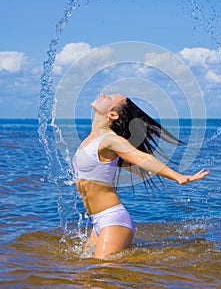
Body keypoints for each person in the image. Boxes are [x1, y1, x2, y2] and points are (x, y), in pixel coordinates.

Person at [73, 93, 210, 259]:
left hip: (112, 221)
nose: (103, 94)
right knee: (82, 275)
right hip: (98, 221)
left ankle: (175, 257)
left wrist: (177, 177)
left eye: (110, 97)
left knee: (100, 274)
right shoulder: (93, 138)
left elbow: (141, 157)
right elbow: (133, 167)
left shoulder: (109, 139)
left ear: (113, 114)